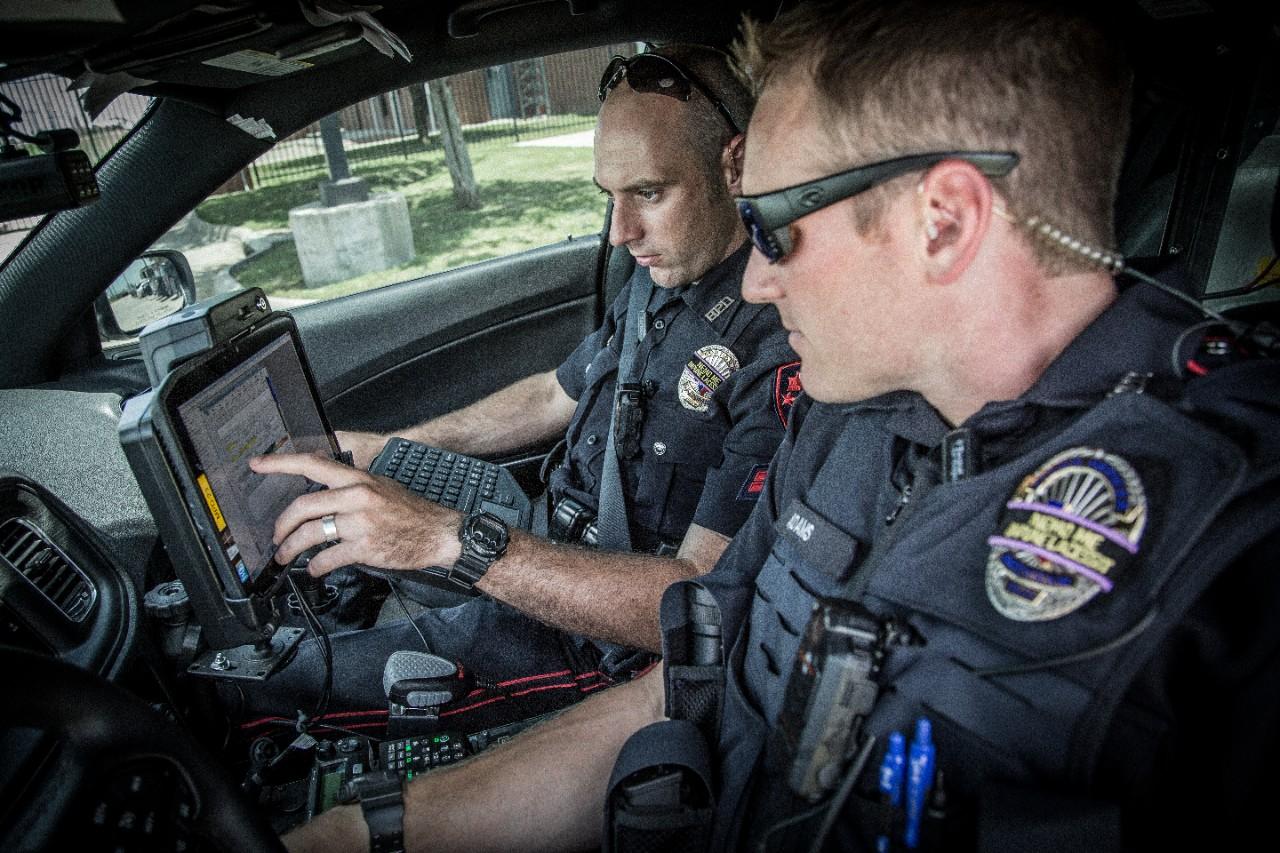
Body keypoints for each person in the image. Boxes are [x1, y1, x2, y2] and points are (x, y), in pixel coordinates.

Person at [282, 0, 1280, 851]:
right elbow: (678, 691)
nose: (755, 277)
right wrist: (378, 830)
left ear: (943, 219)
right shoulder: (852, 422)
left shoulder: (1230, 557)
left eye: (772, 227)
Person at [238, 44, 799, 727]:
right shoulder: (660, 281)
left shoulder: (782, 342)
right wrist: (390, 446)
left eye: (649, 193)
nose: (621, 234)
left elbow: (696, 601)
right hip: (535, 541)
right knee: (306, 595)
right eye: (611, 198)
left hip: (595, 638)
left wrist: (447, 540)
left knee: (275, 685)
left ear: (734, 165)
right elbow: (551, 396)